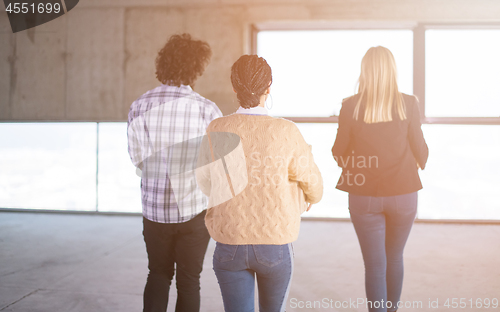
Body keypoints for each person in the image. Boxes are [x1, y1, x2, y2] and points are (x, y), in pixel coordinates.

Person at [196, 55, 323, 312]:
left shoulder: (217, 128)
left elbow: (205, 182)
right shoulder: (286, 131)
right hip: (274, 242)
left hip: (229, 240)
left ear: (234, 88)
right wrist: (307, 197)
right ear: (269, 87)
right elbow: (314, 184)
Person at [127, 33, 222, 312]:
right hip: (194, 212)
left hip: (154, 210)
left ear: (163, 64)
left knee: (157, 274)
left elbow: (138, 160)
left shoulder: (139, 106)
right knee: (190, 281)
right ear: (197, 68)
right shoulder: (208, 110)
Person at [332, 46, 429, 312]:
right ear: (393, 71)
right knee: (394, 257)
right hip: (404, 193)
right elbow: (421, 150)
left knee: (374, 265)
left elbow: (338, 152)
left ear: (365, 72)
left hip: (364, 196)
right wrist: (416, 160)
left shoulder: (350, 105)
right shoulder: (409, 103)